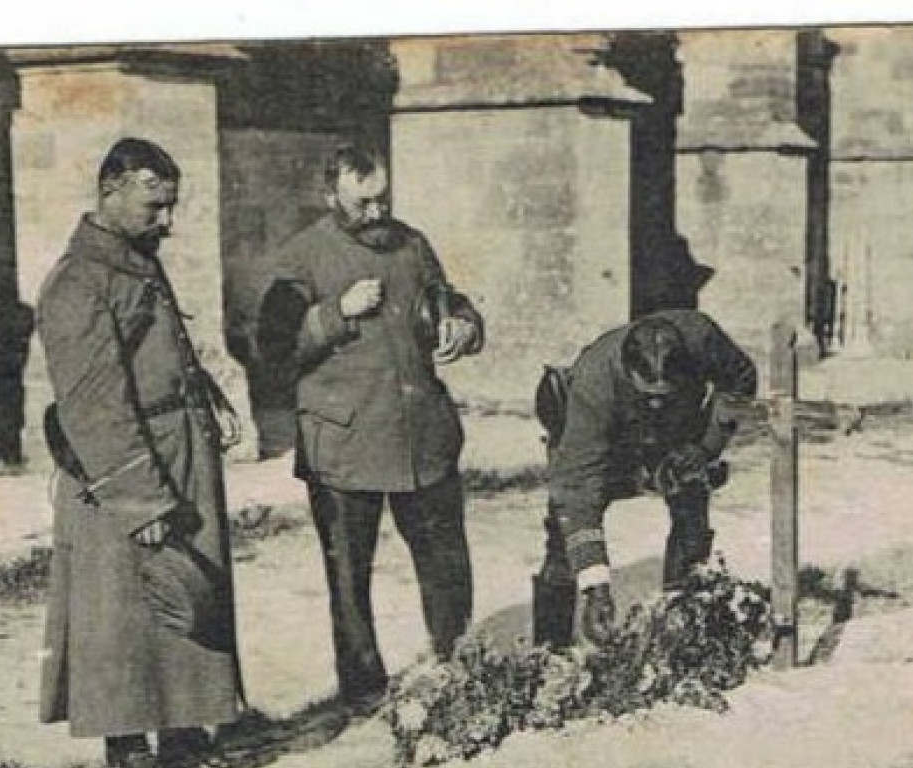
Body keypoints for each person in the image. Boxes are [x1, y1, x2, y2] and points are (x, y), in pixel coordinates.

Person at [36, 137, 247, 768]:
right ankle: (129, 753)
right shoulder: (78, 280)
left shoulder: (135, 261)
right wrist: (140, 496)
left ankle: (183, 733)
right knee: (120, 609)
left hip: (178, 451)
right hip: (123, 467)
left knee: (185, 593)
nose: (167, 221)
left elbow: (164, 348)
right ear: (111, 191)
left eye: (172, 206)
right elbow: (94, 400)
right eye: (155, 205)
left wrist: (209, 400)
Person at [258, 145, 484, 713]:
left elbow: (447, 299)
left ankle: (455, 659)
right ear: (330, 195)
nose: (378, 212)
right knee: (348, 574)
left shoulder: (412, 244)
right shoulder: (300, 258)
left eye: (383, 198)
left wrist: (463, 324)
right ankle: (362, 691)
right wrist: (335, 313)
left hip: (420, 435)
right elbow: (273, 350)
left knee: (444, 557)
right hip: (345, 442)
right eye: (363, 203)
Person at [533, 310, 758, 648]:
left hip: (679, 433)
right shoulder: (595, 384)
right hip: (607, 439)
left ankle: (683, 631)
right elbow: (578, 490)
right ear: (628, 373)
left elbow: (740, 380)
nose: (655, 402)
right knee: (566, 532)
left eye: (664, 394)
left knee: (692, 519)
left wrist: (705, 446)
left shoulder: (702, 338)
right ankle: (551, 651)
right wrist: (596, 587)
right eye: (647, 394)